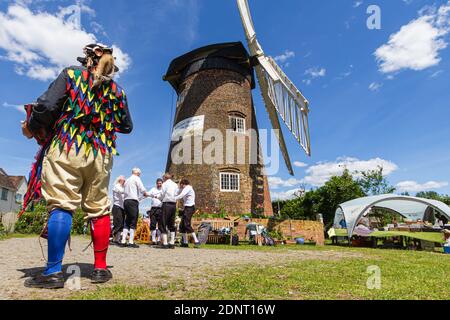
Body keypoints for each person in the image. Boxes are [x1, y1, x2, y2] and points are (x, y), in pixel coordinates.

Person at [21, 43, 133, 289]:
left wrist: (31, 126)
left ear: (87, 59)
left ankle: (52, 272)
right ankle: (101, 270)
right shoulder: (118, 91)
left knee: (62, 203)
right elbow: (126, 126)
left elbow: (47, 107)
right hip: (101, 153)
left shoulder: (71, 74)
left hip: (68, 146)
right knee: (99, 207)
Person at [122, 168, 149, 248]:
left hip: (126, 201)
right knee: (133, 221)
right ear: (138, 173)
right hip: (133, 201)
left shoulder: (127, 180)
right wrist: (145, 193)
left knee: (127, 221)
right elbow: (142, 188)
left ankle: (123, 241)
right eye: (139, 174)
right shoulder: (136, 178)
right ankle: (130, 242)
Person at [175, 179, 200, 248]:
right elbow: (177, 193)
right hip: (186, 208)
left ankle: (197, 241)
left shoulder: (188, 188)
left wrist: (173, 199)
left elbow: (181, 195)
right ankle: (185, 243)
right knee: (182, 226)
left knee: (187, 224)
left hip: (190, 207)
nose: (180, 185)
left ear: (183, 184)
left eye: (180, 184)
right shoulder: (183, 188)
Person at [157, 173, 179, 249]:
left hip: (166, 204)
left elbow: (162, 194)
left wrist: (158, 197)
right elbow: (177, 194)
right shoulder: (175, 185)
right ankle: (172, 243)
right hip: (173, 205)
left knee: (163, 223)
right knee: (171, 224)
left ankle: (165, 243)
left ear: (164, 178)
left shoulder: (165, 184)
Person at [111, 176, 126, 245]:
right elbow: (121, 192)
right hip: (117, 207)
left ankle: (117, 239)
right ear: (120, 180)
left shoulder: (123, 187)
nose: (125, 180)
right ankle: (110, 237)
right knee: (117, 223)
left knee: (121, 224)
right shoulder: (117, 186)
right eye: (124, 179)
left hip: (122, 208)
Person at [148, 178, 163, 245]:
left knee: (160, 225)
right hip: (153, 208)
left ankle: (159, 239)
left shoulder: (163, 190)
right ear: (156, 183)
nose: (159, 184)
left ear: (162, 183)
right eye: (158, 183)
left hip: (161, 208)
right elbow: (148, 193)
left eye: (160, 183)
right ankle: (153, 239)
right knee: (153, 224)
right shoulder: (153, 189)